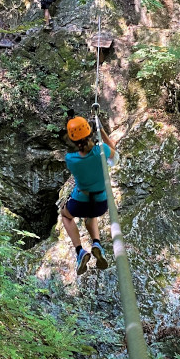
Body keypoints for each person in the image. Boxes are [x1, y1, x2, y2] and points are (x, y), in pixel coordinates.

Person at [61, 113, 118, 276]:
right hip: (100, 203)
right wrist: (101, 130)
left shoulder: (70, 159)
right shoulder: (102, 150)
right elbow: (115, 157)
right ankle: (97, 244)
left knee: (65, 216)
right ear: (90, 132)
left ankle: (80, 251)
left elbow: (82, 154)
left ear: (72, 140)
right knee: (91, 215)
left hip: (80, 201)